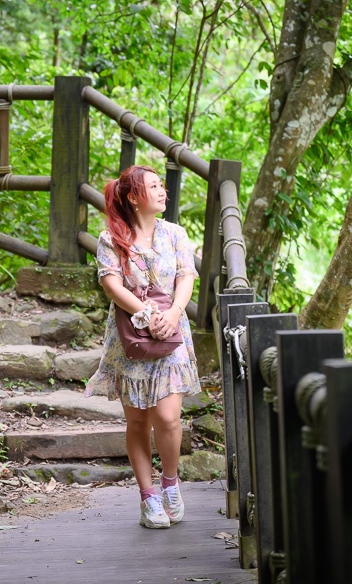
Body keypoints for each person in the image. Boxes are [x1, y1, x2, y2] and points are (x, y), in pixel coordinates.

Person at [84, 165, 201, 529]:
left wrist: (174, 312)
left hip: (171, 331)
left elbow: (186, 276)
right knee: (137, 419)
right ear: (134, 197)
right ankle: (148, 496)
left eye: (161, 185)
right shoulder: (112, 238)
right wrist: (148, 313)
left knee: (167, 417)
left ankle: (169, 484)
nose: (163, 191)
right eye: (154, 186)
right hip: (132, 335)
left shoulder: (175, 234)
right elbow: (111, 285)